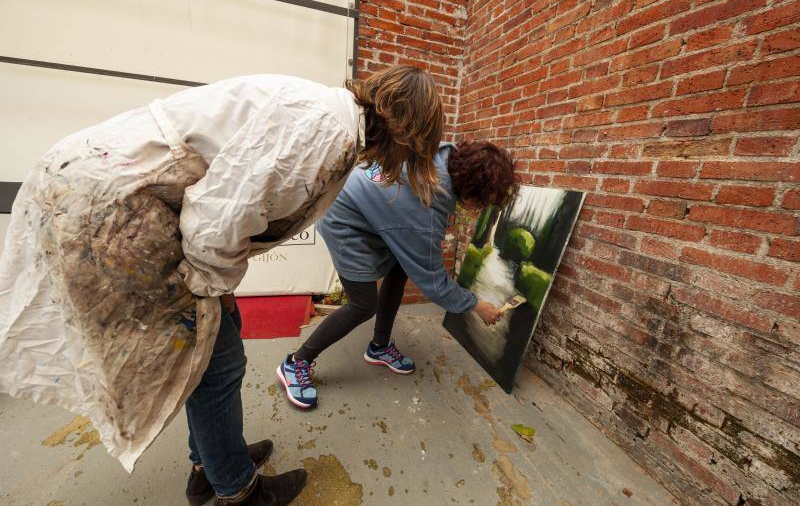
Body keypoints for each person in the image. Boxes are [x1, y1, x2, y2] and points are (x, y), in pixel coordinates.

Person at [0, 66, 444, 506]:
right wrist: (217, 288)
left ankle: (209, 465)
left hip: (110, 195)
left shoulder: (332, 120)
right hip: (109, 203)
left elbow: (226, 210)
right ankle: (236, 489)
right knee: (219, 361)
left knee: (213, 352)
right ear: (406, 130)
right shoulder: (325, 130)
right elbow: (217, 221)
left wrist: (219, 289)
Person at [276, 140, 518, 409]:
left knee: (400, 268)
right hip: (344, 219)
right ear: (472, 189)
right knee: (362, 304)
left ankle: (379, 347)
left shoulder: (441, 154)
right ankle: (296, 362)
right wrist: (475, 304)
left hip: (368, 207)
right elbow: (434, 282)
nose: (481, 209)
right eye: (483, 202)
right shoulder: (427, 205)